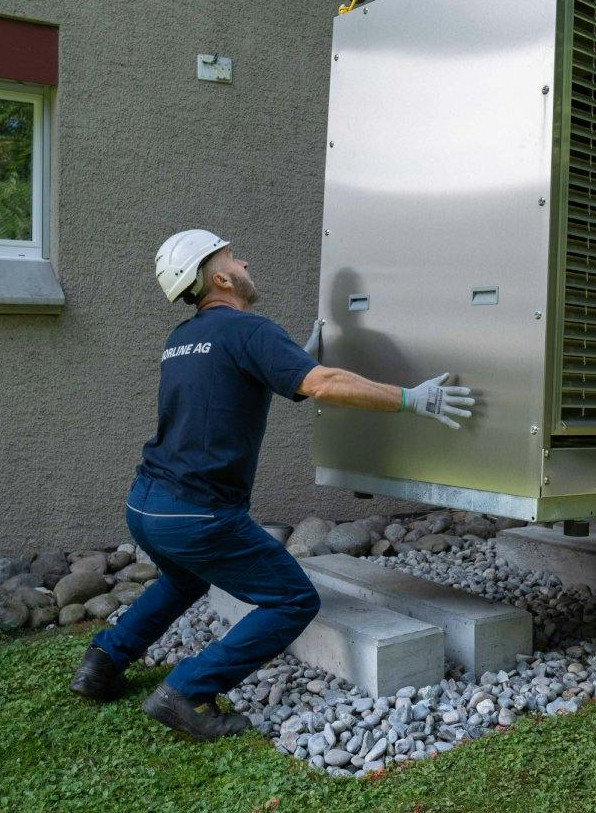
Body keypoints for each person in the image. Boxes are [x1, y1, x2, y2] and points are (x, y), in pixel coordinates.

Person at [68, 229, 477, 740]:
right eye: (232, 257)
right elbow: (322, 384)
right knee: (292, 600)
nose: (244, 261)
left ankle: (103, 661)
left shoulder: (181, 341)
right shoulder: (248, 331)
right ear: (220, 277)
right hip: (198, 515)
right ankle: (186, 692)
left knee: (185, 580)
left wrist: (292, 358)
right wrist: (412, 400)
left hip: (146, 505)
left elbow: (238, 381)